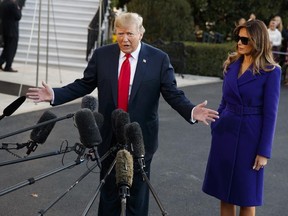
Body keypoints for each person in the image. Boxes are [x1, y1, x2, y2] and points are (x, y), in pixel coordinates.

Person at [26, 12, 219, 216]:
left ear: (141, 34)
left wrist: (190, 110)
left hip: (139, 136)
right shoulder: (102, 55)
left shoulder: (158, 59)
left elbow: (172, 94)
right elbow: (84, 84)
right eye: (120, 33)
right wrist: (55, 93)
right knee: (109, 194)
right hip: (109, 135)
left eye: (129, 34)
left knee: (137, 196)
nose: (124, 39)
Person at [202, 19, 281, 216]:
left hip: (250, 138)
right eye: (238, 38)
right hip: (225, 134)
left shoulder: (271, 71)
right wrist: (217, 124)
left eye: (245, 39)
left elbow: (271, 114)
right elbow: (224, 99)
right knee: (224, 193)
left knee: (246, 197)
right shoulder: (232, 64)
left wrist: (264, 151)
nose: (239, 43)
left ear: (258, 41)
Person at [0, 0, 21, 72]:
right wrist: (18, 8)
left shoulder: (2, 3)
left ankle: (1, 62)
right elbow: (18, 16)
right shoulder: (13, 5)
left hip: (4, 29)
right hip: (12, 30)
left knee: (6, 48)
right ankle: (8, 66)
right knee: (11, 49)